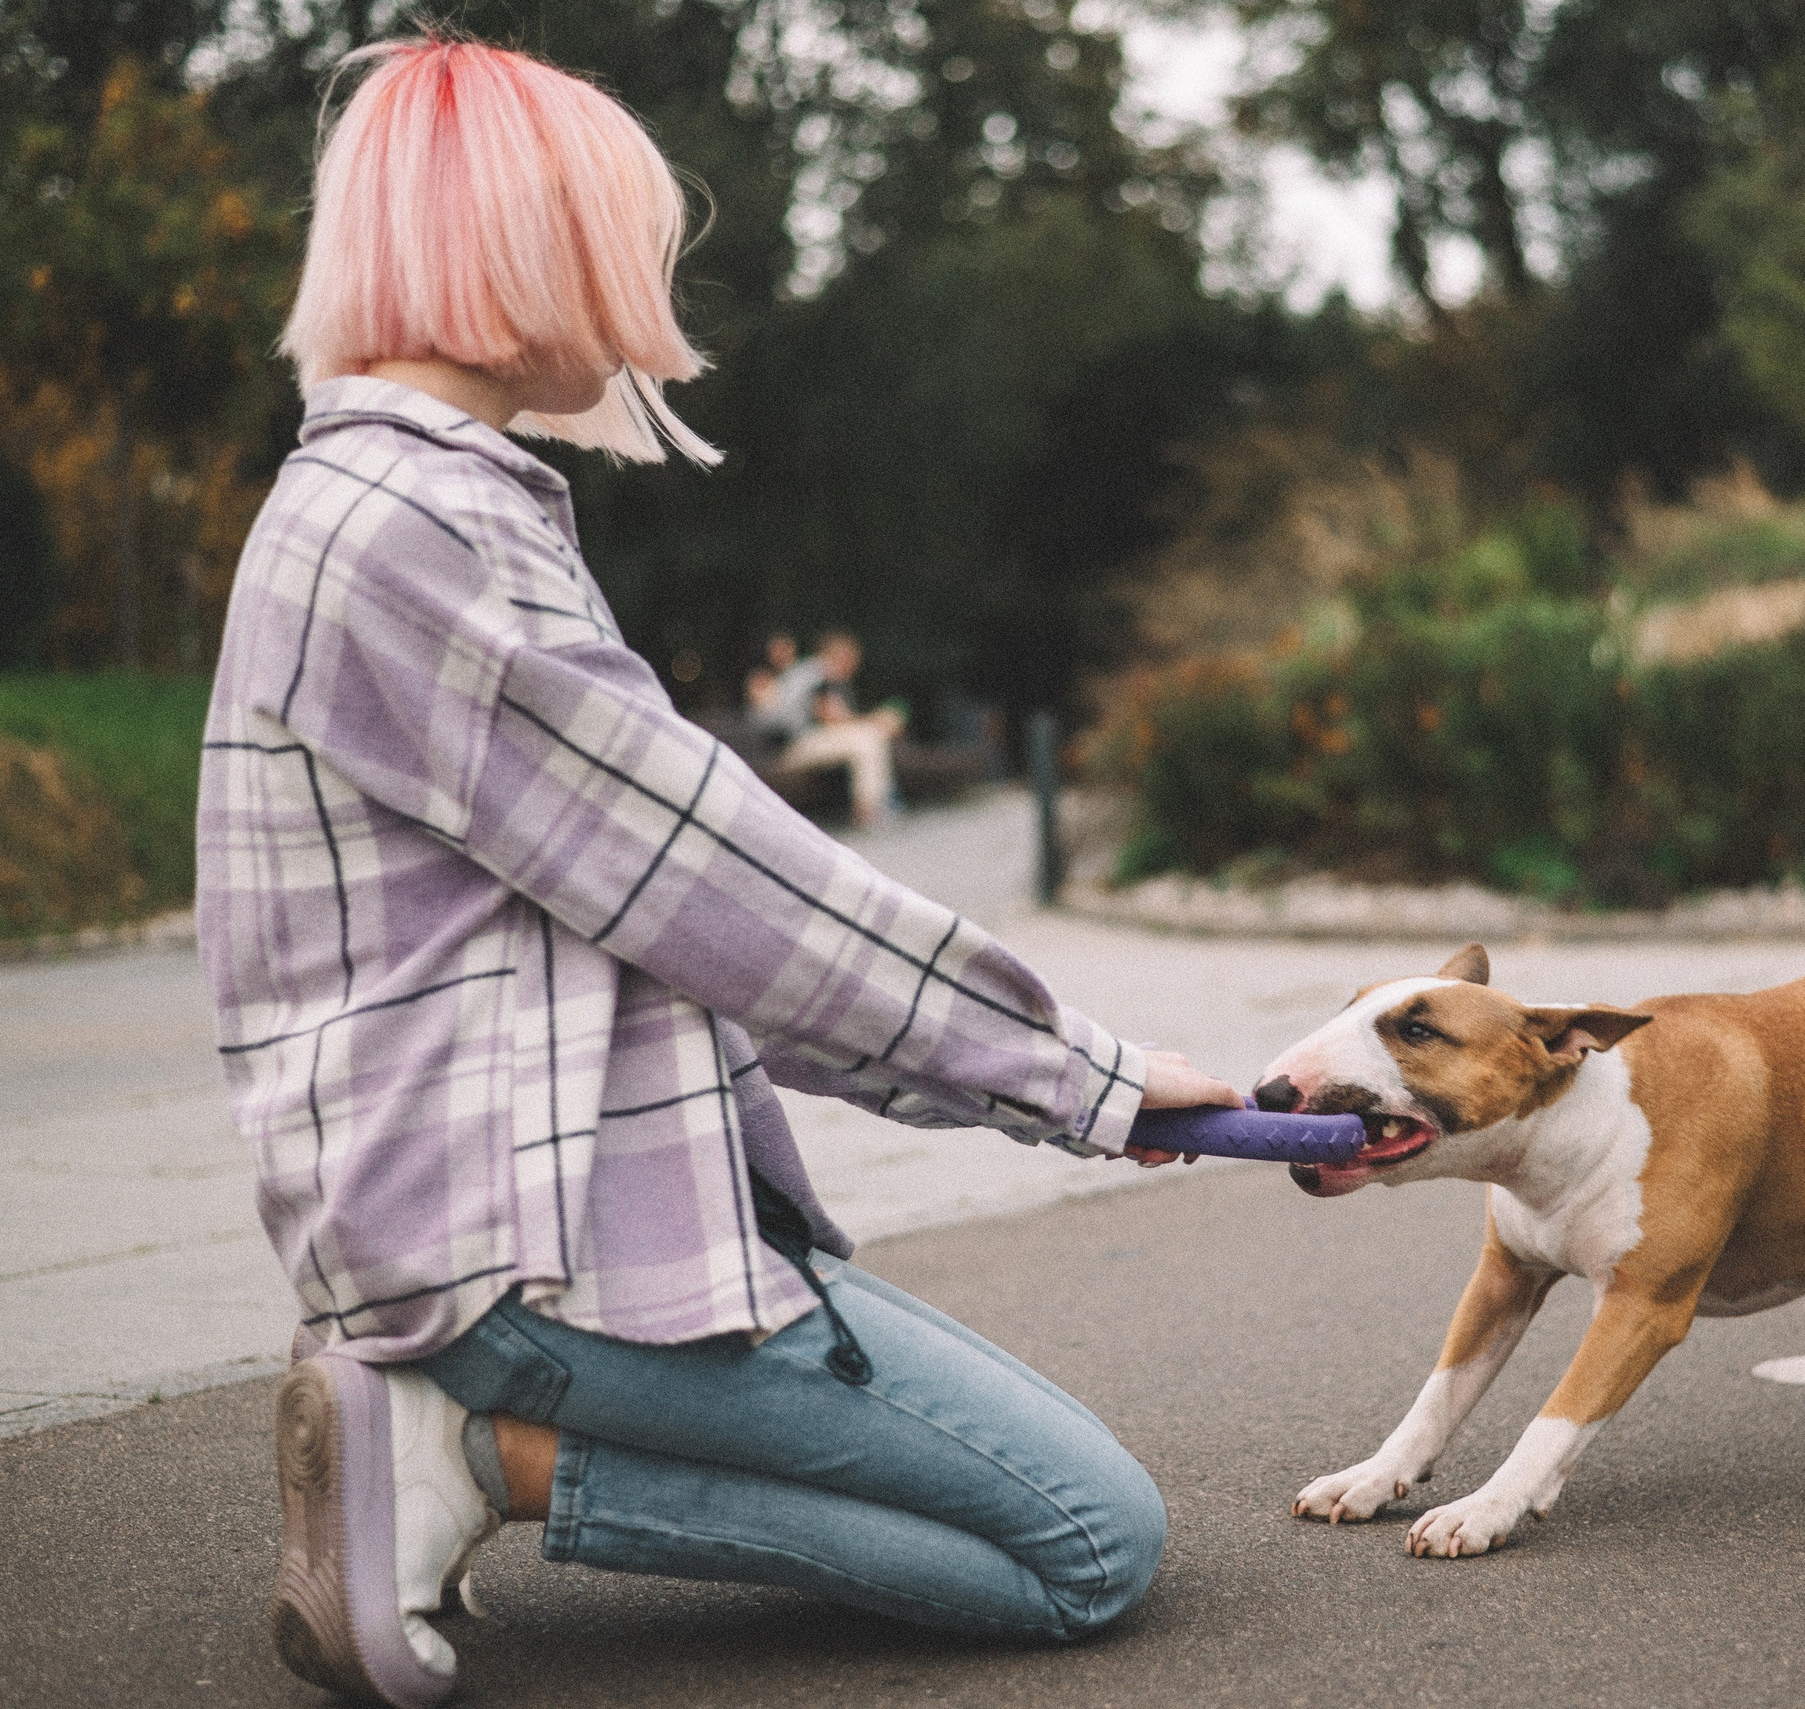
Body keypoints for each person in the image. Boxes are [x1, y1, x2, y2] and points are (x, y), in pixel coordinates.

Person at [201, 37, 1234, 1709]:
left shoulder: (394, 503)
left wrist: (1069, 1085)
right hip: (515, 1256)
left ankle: (483, 1438)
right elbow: (736, 891)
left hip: (522, 1218)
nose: (647, 282)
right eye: (625, 238)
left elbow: (686, 914)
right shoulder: (414, 531)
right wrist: (1085, 1079)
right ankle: (473, 1446)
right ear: (524, 251)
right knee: (1086, 1541)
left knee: (1054, 1516)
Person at [772, 629, 904, 827]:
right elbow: (831, 717)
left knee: (869, 736)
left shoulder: (807, 671)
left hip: (797, 745)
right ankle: (869, 811)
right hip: (790, 749)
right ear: (837, 654)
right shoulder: (821, 673)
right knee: (868, 739)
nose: (854, 664)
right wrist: (877, 721)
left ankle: (877, 805)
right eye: (850, 657)